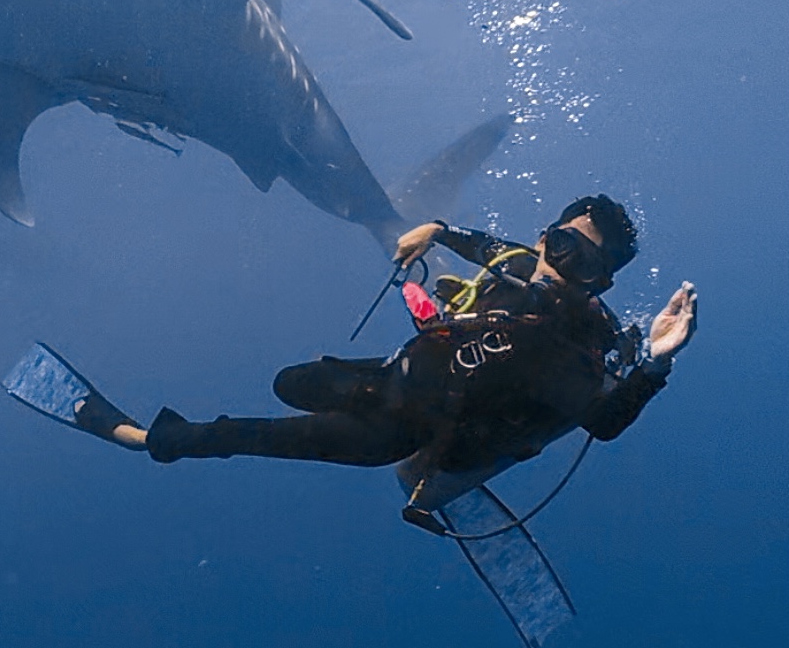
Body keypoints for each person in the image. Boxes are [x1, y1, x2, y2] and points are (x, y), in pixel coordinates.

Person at [95, 196, 696, 488]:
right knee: (290, 382)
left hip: (406, 431)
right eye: (562, 246)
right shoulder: (518, 260)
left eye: (585, 266)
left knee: (252, 435)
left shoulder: (580, 348)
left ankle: (150, 439)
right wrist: (436, 229)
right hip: (390, 376)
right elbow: (485, 246)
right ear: (545, 238)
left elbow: (607, 421)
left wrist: (657, 365)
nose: (559, 270)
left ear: (602, 283)